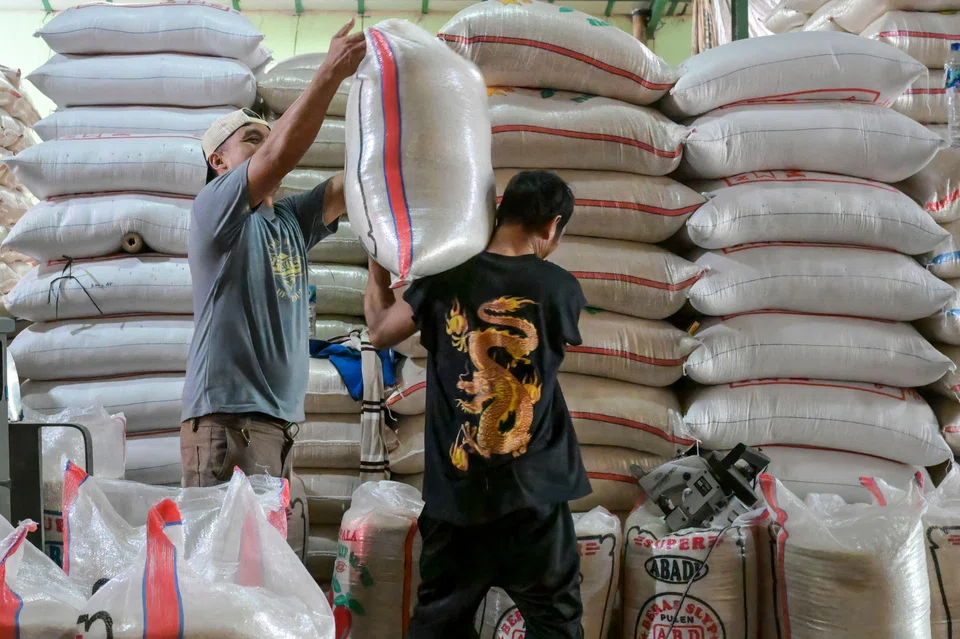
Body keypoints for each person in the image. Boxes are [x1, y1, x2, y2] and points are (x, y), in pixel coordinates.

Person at [364, 171, 592, 639]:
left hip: (458, 500)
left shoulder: (445, 277)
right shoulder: (561, 288)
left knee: (439, 626)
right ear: (551, 227)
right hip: (536, 496)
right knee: (556, 625)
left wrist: (376, 261)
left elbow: (381, 330)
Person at [179, 20, 366, 488]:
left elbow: (352, 182)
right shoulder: (217, 208)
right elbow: (282, 154)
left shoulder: (289, 221)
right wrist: (329, 74)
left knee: (260, 561)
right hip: (228, 423)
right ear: (217, 162)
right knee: (224, 563)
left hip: (275, 427)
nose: (267, 148)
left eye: (267, 138)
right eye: (252, 140)